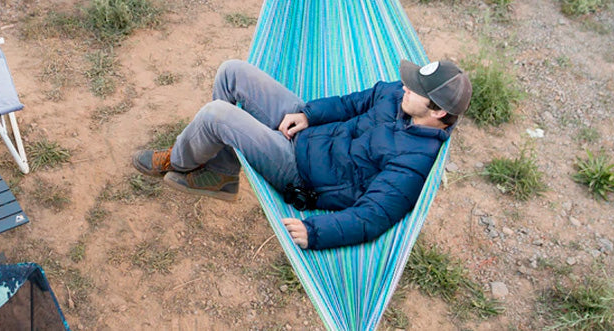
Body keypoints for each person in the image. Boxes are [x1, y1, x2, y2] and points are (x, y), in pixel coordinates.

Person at [131, 58, 471, 250]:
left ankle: (178, 160)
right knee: (231, 72)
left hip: (300, 172)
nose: (405, 87)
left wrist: (318, 232)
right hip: (309, 131)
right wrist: (309, 114)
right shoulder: (399, 95)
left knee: (216, 115)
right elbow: (352, 103)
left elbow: (374, 215)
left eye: (416, 90)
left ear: (438, 112)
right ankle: (221, 174)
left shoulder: (414, 162)